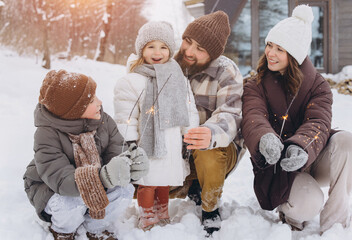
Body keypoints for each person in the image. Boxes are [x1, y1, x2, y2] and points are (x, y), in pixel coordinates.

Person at [241, 5, 352, 234]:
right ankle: (291, 212)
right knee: (307, 204)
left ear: (294, 55)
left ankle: (335, 222)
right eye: (269, 45)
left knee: (348, 142)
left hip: (311, 155)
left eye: (280, 49)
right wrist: (265, 137)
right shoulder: (255, 85)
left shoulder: (318, 87)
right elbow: (254, 116)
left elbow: (318, 122)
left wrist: (301, 146)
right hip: (279, 167)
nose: (270, 53)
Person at [23, 70, 149, 240]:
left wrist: (131, 165)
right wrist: (102, 177)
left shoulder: (103, 121)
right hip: (51, 189)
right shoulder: (47, 134)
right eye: (91, 100)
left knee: (124, 190)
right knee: (71, 202)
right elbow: (61, 180)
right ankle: (63, 230)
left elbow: (118, 152)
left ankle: (96, 227)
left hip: (91, 182)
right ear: (73, 110)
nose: (100, 102)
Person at [113, 21, 199, 231]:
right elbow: (127, 116)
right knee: (148, 181)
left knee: (164, 181)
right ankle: (147, 214)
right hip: (146, 143)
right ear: (141, 49)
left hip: (170, 142)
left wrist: (190, 134)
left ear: (170, 50)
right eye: (151, 46)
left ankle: (162, 210)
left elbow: (188, 110)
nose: (157, 52)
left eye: (163, 47)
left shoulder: (178, 78)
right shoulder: (132, 81)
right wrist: (130, 142)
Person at [171, 11, 246, 235]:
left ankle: (210, 208)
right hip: (180, 150)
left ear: (212, 54)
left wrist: (210, 132)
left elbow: (231, 113)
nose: (190, 51)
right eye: (188, 42)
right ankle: (190, 183)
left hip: (220, 149)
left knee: (204, 144)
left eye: (200, 49)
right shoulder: (172, 64)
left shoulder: (226, 71)